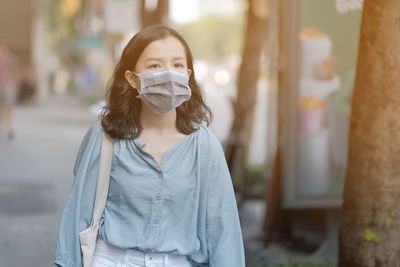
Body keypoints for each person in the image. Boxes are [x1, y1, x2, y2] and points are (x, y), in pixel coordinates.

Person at [54, 25, 245, 267]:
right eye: (155, 65)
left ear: (187, 74)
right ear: (133, 79)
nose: (168, 74)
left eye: (177, 65)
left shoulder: (204, 146)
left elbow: (222, 229)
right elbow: (77, 213)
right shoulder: (105, 137)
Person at [0, 41, 16, 140]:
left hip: (7, 84)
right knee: (3, 107)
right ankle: (6, 126)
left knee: (7, 107)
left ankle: (9, 127)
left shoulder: (9, 58)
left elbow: (14, 69)